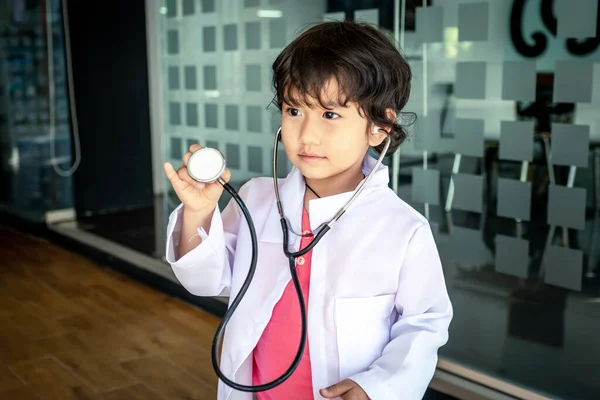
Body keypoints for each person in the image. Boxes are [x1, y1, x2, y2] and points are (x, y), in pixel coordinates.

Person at [163, 20, 452, 400]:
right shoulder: (257, 198)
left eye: (330, 115)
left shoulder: (402, 229)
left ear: (380, 126)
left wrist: (378, 387)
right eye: (294, 110)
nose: (307, 134)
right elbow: (204, 280)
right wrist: (199, 213)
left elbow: (423, 325)